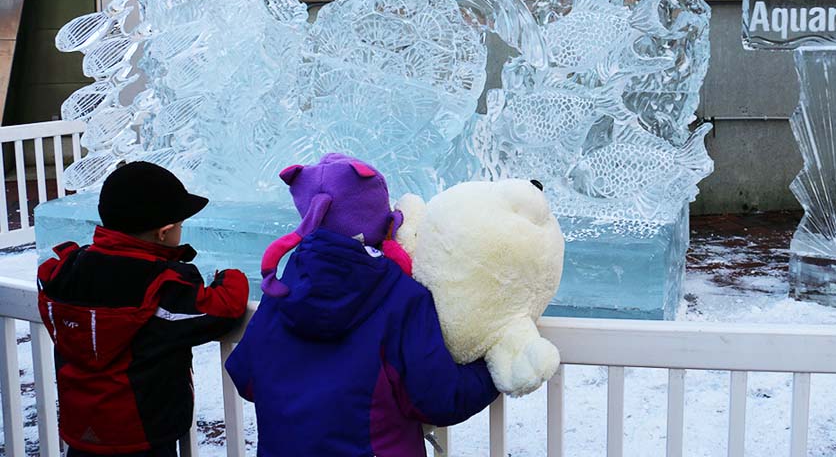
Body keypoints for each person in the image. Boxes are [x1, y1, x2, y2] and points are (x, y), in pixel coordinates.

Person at [225, 154, 498, 457]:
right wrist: (492, 367)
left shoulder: (280, 290)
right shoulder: (403, 296)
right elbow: (440, 399)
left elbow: (245, 376)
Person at [37, 162, 250, 457]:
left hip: (84, 432)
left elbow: (49, 280)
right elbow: (223, 309)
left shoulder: (67, 270)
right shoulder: (162, 284)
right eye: (179, 224)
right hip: (143, 436)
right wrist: (231, 276)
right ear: (164, 232)